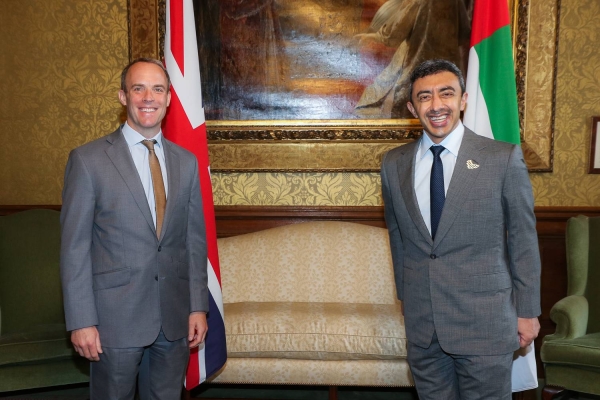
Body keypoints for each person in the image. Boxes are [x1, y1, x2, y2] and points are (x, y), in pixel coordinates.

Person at [380, 59, 541, 399]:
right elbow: (397, 236)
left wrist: (527, 312)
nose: (436, 105)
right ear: (412, 107)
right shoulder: (393, 164)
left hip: (485, 323)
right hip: (424, 329)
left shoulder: (502, 158)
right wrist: (407, 300)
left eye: (446, 93)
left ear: (463, 99)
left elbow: (524, 240)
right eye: (424, 97)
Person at [60, 58, 208, 399]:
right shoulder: (88, 160)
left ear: (169, 98)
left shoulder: (186, 162)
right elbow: (74, 249)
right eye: (138, 88)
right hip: (114, 321)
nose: (148, 97)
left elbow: (193, 241)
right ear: (123, 97)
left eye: (157, 89)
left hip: (174, 322)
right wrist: (81, 320)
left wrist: (197, 306)